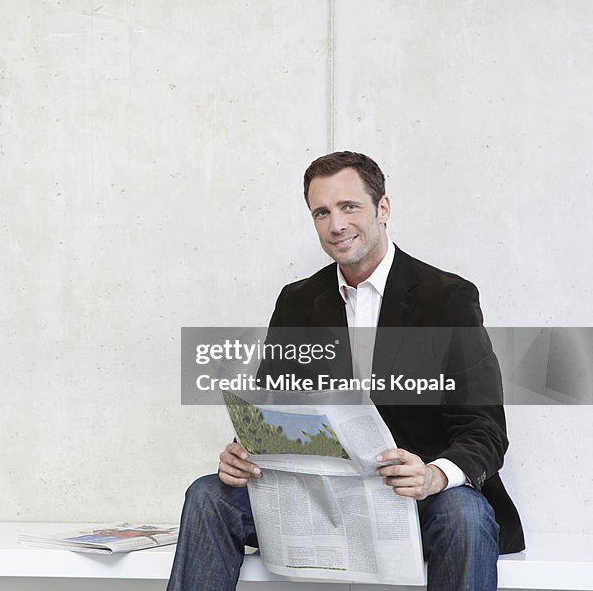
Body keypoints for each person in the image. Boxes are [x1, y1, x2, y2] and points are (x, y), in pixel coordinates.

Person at [167, 151, 524, 591]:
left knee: (465, 513)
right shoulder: (298, 301)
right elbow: (272, 409)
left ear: (383, 208)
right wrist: (245, 453)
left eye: (349, 206)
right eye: (322, 212)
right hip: (319, 495)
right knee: (208, 495)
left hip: (413, 497)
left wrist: (434, 475)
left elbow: (484, 429)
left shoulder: (447, 297)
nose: (336, 224)